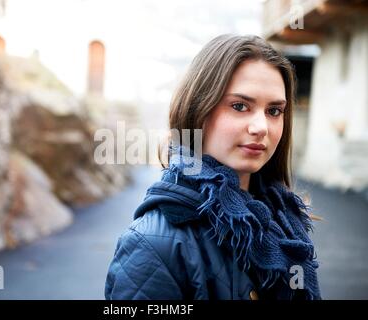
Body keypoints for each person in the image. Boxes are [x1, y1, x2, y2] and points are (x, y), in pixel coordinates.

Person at [104, 34, 321, 300]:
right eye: (240, 106)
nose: (261, 127)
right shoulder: (151, 245)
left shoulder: (285, 223)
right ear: (199, 109)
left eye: (274, 111)